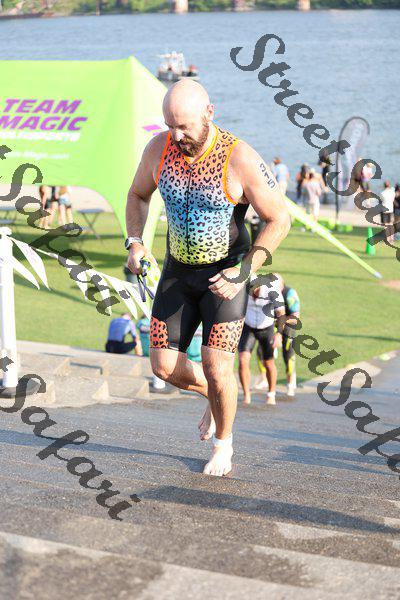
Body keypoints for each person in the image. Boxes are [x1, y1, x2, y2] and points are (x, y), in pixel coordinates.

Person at [125, 79, 290, 477]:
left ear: (209, 113)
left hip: (226, 277)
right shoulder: (158, 149)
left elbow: (279, 219)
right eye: (170, 126)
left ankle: (223, 444)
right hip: (177, 272)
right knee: (163, 367)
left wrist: (244, 271)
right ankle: (214, 398)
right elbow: (138, 194)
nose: (177, 135)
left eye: (184, 126)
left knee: (219, 368)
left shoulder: (240, 157)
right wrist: (135, 241)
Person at [238, 279, 285, 406]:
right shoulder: (243, 289)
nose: (252, 293)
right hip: (248, 327)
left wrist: (279, 334)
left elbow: (281, 313)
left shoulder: (272, 290)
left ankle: (271, 394)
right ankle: (246, 394)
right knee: (243, 360)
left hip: (266, 327)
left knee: (268, 363)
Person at [274, 273, 300, 397]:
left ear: (282, 284)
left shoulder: (290, 294)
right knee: (262, 352)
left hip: (288, 324)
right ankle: (263, 379)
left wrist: (280, 322)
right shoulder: (267, 292)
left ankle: (290, 383)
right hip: (273, 323)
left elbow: (296, 319)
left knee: (288, 354)